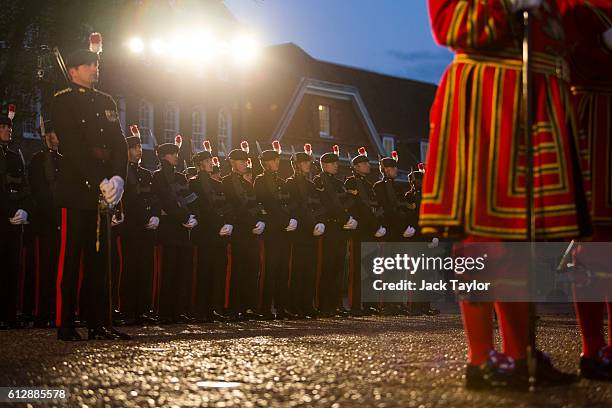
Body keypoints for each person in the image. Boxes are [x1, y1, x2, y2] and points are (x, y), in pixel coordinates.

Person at [422, 0, 588, 389]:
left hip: (539, 99)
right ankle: (480, 360)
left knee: (522, 240)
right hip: (488, 96)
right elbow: (450, 26)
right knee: (482, 235)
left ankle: (518, 354)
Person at [52, 49, 129, 341]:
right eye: (87, 65)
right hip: (76, 190)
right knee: (70, 261)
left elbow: (118, 143)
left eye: (95, 64)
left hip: (103, 191)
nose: (94, 68)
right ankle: (66, 324)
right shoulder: (62, 101)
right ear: (73, 71)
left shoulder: (106, 101)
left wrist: (119, 177)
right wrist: (100, 179)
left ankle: (99, 323)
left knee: (100, 263)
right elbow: (72, 146)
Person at [564, 1, 612, 381]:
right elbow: (572, 55)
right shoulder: (578, 9)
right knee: (595, 242)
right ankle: (592, 346)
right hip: (594, 119)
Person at [152, 142, 198, 324]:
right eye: (172, 154)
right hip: (171, 228)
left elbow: (190, 198)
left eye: (176, 153)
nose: (175, 156)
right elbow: (166, 201)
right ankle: (165, 312)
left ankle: (178, 310)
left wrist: (193, 216)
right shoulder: (159, 176)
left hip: (182, 229)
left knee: (182, 271)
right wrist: (185, 217)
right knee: (169, 272)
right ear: (163, 156)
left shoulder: (179, 177)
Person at [120, 129, 160, 325]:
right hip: (132, 227)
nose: (139, 150)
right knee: (130, 269)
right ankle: (129, 310)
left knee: (146, 269)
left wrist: (154, 215)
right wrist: (145, 217)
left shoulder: (145, 173)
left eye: (139, 147)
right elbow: (129, 200)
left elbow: (152, 197)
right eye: (134, 147)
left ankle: (143, 309)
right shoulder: (123, 171)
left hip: (146, 228)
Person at [189, 148, 234, 322]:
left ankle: (216, 308)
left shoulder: (218, 185)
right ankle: (201, 310)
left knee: (219, 271)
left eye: (211, 161)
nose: (211, 163)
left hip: (220, 234)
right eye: (207, 161)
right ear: (200, 164)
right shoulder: (193, 183)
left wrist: (229, 222)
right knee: (204, 272)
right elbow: (200, 210)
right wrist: (218, 224)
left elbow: (228, 206)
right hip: (206, 233)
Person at [254, 142, 297, 319]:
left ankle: (281, 306)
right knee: (269, 270)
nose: (277, 162)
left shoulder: (281, 182)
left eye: (277, 159)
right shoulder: (260, 181)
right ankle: (263, 308)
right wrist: (286, 219)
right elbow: (269, 205)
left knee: (282, 270)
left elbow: (288, 202)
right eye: (273, 160)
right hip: (271, 230)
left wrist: (292, 217)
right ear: (265, 163)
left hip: (284, 231)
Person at [313, 146, 357, 317]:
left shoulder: (339, 184)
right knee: (327, 267)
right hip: (330, 228)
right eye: (332, 163)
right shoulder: (319, 181)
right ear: (323, 165)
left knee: (339, 268)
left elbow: (346, 202)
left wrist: (349, 217)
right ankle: (324, 305)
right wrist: (344, 218)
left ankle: (336, 303)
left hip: (341, 229)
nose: (336, 165)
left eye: (336, 163)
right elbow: (326, 204)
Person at [222, 148, 265, 320]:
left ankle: (249, 306)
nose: (245, 164)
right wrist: (252, 222)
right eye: (241, 161)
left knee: (252, 269)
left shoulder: (248, 185)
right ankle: (235, 307)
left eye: (246, 161)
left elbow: (257, 205)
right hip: (239, 231)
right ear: (233, 163)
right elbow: (235, 208)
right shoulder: (226, 183)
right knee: (238, 270)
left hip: (252, 233)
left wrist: (261, 221)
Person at [344, 147, 386, 316]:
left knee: (370, 269)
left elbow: (374, 207)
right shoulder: (351, 183)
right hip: (359, 231)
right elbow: (357, 208)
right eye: (364, 164)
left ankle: (370, 304)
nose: (368, 166)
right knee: (357, 270)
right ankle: (355, 305)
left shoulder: (369, 185)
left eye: (367, 163)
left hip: (370, 231)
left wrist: (377, 225)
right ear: (356, 167)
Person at [28, 119, 62, 328]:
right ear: (48, 136)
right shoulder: (37, 160)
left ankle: (56, 311)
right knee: (45, 269)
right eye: (55, 133)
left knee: (60, 270)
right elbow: (39, 192)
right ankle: (42, 313)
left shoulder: (63, 159)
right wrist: (55, 217)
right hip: (46, 221)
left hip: (61, 221)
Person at [286, 144, 326, 318]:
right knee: (297, 270)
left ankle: (307, 304)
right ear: (296, 165)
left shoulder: (310, 185)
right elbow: (293, 207)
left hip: (312, 232)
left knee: (310, 270)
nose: (308, 165)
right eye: (304, 162)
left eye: (308, 162)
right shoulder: (290, 184)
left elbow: (316, 205)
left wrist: (319, 222)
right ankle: (294, 305)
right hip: (298, 232)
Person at [0, 105, 31, 330]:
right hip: (1, 220)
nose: (7, 131)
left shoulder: (15, 156)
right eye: (3, 127)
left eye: (9, 127)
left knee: (13, 269)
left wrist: (24, 210)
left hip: (16, 220)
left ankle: (10, 314)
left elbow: (25, 187)